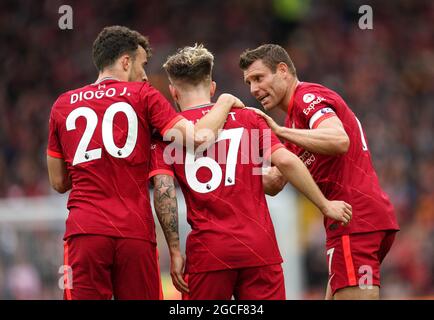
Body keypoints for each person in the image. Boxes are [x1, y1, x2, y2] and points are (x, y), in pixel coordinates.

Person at [46, 26, 243, 300]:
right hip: (134, 232)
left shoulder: (62, 105)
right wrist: (225, 101)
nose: (145, 75)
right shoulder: (143, 96)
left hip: (85, 229)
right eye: (143, 64)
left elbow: (58, 182)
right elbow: (200, 138)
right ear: (125, 61)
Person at [149, 44, 352, 300]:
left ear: (173, 92)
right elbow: (287, 161)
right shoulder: (248, 119)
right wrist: (325, 205)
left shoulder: (167, 134)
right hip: (259, 249)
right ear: (212, 88)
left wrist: (175, 251)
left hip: (208, 253)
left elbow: (164, 189)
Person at [239, 44, 400, 300]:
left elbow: (339, 140)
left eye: (259, 78)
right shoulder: (295, 125)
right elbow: (274, 183)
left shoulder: (306, 97)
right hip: (357, 221)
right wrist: (233, 167)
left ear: (283, 70)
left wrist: (278, 132)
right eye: (248, 82)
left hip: (353, 220)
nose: (253, 89)